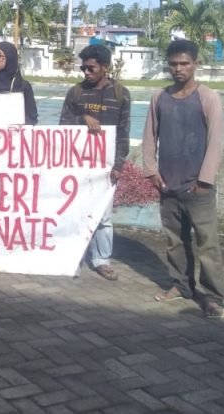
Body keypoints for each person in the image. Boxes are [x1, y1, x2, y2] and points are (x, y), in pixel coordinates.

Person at [142, 39, 224, 319]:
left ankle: (213, 297)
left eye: (184, 63)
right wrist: (151, 171)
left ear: (195, 64)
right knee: (175, 241)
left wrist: (204, 181)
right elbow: (149, 136)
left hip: (198, 188)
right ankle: (181, 285)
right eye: (173, 64)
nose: (178, 69)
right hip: (168, 185)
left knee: (207, 245)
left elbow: (216, 141)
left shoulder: (208, 98)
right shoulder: (160, 97)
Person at [59, 45, 130, 281]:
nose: (86, 72)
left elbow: (123, 132)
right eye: (84, 68)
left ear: (105, 67)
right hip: (77, 164)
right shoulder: (75, 93)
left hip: (106, 166)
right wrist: (83, 118)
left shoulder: (120, 94)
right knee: (75, 213)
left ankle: (102, 260)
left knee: (104, 217)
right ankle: (75, 257)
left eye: (91, 68)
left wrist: (118, 165)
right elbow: (63, 125)